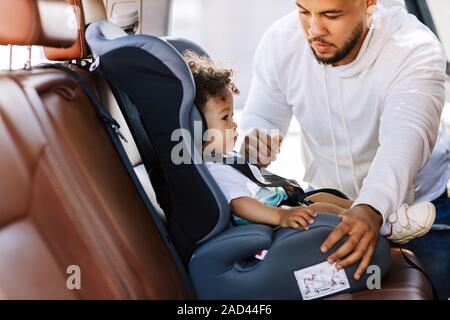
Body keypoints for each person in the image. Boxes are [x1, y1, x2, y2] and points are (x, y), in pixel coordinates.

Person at [239, 0, 447, 286]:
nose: (314, 30)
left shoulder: (412, 47)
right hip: (327, 203)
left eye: (331, 15)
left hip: (418, 210)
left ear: (369, 3)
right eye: (303, 11)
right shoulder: (280, 41)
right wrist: (254, 141)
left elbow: (404, 138)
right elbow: (263, 115)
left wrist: (371, 208)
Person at [183, 50, 436, 248]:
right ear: (197, 127)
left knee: (326, 197)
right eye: (225, 118)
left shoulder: (223, 158)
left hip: (278, 201)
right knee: (318, 209)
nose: (234, 123)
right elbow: (240, 205)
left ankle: (378, 211)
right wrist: (280, 216)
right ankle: (384, 228)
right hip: (269, 217)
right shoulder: (214, 169)